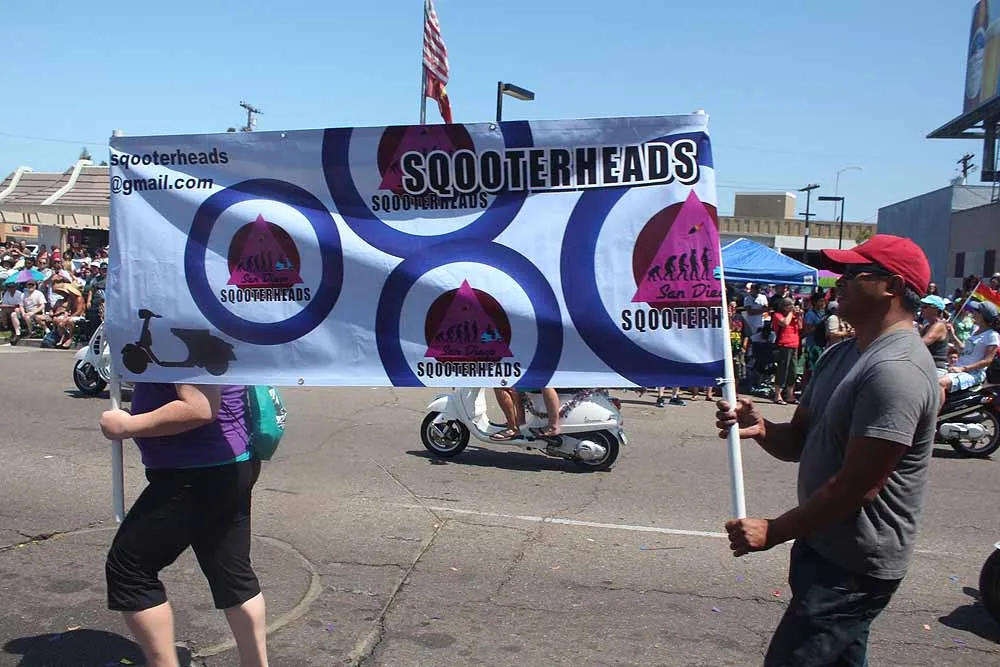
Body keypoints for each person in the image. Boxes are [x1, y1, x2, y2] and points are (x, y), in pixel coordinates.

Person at [715, 234, 938, 665]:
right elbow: (800, 440)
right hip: (821, 544)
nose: (840, 281)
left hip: (854, 568)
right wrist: (762, 428)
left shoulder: (897, 370)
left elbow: (857, 487)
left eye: (854, 273)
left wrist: (774, 530)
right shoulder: (840, 355)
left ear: (892, 286)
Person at [100, 383, 269, 667]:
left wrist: (128, 426)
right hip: (228, 462)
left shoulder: (182, 348)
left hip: (196, 472)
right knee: (231, 572)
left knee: (129, 570)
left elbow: (200, 407)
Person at [938, 301, 1000, 407]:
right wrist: (952, 334)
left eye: (976, 311)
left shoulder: (992, 335)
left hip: (973, 373)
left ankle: (932, 415)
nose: (972, 313)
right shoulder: (975, 330)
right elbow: (964, 349)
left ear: (981, 315)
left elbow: (987, 361)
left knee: (940, 383)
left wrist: (963, 369)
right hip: (957, 368)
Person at [771, 297, 801, 404]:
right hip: (783, 345)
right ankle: (777, 395)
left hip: (794, 344)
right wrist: (791, 313)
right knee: (782, 369)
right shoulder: (777, 315)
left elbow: (800, 326)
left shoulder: (793, 316)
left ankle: (790, 395)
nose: (791, 307)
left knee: (793, 370)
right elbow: (785, 323)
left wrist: (799, 316)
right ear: (784, 307)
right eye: (789, 305)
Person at [918, 295, 949, 377]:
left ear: (935, 309)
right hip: (925, 367)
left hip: (935, 369)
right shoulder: (927, 326)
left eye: (925, 307)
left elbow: (921, 343)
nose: (921, 309)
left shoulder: (939, 325)